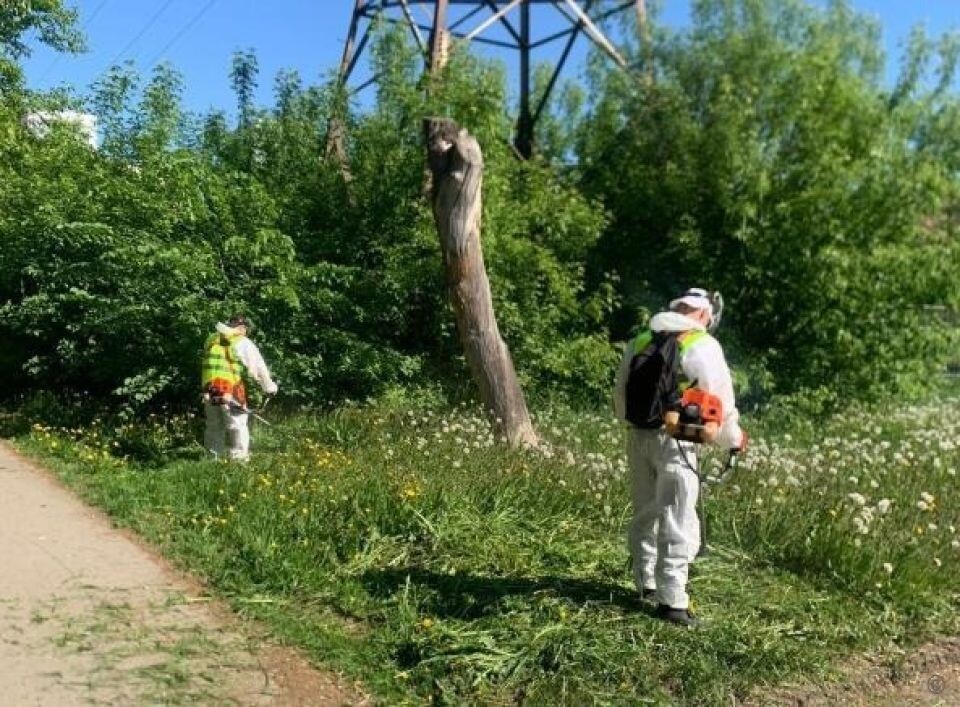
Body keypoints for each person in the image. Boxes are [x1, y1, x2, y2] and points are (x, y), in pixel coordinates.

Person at [614, 288, 746, 626]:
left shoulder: (642, 339)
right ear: (703, 314)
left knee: (645, 512)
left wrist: (635, 425)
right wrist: (733, 440)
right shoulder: (702, 345)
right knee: (677, 516)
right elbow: (721, 402)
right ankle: (672, 601)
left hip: (638, 435)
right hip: (678, 441)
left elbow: (620, 393)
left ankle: (646, 584)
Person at [201, 314, 278, 461]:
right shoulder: (241, 341)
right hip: (230, 388)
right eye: (246, 330)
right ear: (242, 327)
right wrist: (269, 387)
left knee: (214, 425)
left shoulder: (211, 339)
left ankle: (212, 458)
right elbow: (258, 366)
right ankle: (239, 460)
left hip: (210, 389)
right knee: (237, 424)